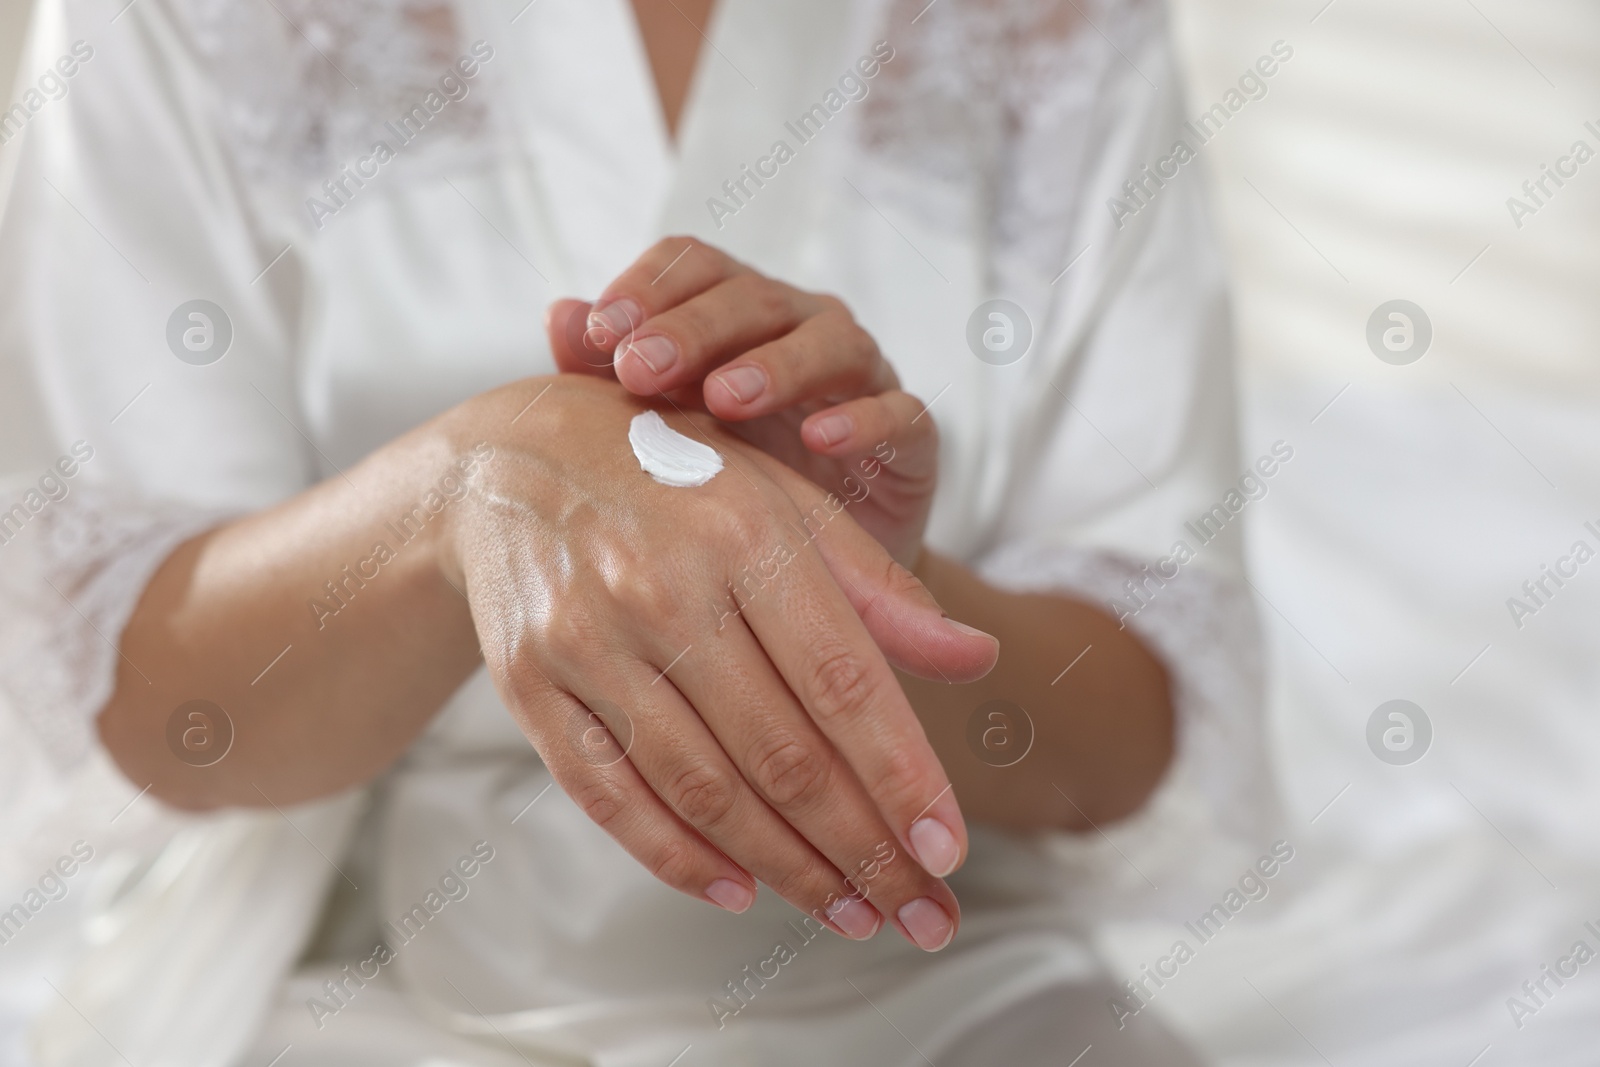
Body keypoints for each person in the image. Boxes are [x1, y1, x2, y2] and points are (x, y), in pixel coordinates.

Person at [0, 0, 1273, 1063]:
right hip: (371, 972)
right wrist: (460, 490)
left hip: (947, 985)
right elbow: (149, 698)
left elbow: (1131, 724)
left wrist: (859, 587)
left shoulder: (1053, 26)